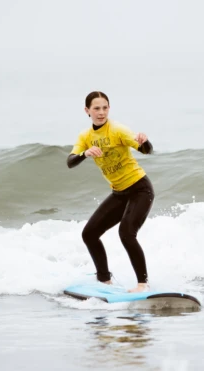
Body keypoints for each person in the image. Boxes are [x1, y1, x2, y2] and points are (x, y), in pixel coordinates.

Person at [67, 91, 154, 293]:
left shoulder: (117, 130)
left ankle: (143, 284)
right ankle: (104, 281)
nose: (101, 112)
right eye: (96, 108)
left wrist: (143, 141)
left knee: (126, 233)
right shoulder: (86, 137)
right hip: (119, 193)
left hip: (139, 188)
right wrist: (85, 153)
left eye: (105, 107)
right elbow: (70, 162)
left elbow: (146, 150)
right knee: (89, 234)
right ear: (87, 110)